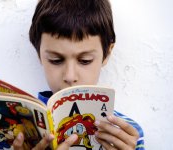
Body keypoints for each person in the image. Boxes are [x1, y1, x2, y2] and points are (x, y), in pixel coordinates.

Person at [12, 0, 145, 149]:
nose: (70, 76)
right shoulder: (13, 128)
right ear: (39, 55)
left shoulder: (126, 135)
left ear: (107, 53)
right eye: (56, 60)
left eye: (84, 60)